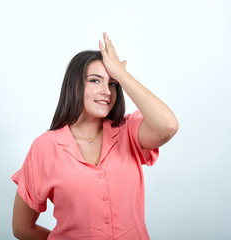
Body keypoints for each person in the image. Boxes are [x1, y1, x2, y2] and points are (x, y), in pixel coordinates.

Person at [11, 33, 179, 240]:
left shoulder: (129, 131)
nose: (106, 91)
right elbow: (22, 228)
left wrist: (122, 75)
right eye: (95, 80)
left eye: (112, 83)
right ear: (74, 86)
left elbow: (168, 126)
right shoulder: (44, 147)